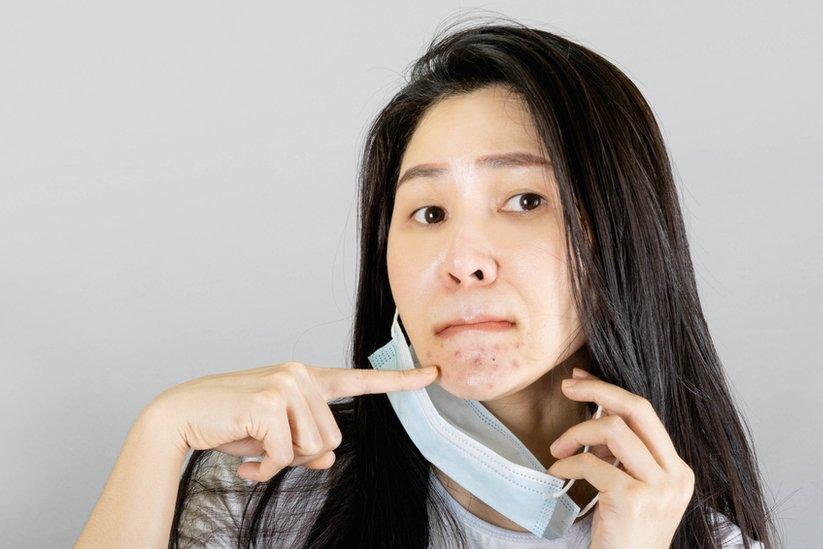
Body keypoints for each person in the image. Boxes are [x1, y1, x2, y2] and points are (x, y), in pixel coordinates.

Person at [77, 17, 777, 549]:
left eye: (526, 200)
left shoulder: (703, 538)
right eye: (429, 212)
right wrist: (161, 433)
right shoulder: (268, 494)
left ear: (619, 235)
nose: (463, 259)